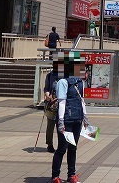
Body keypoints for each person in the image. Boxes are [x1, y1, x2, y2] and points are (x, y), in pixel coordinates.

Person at [51, 51, 89, 183]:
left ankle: (71, 175)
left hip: (77, 119)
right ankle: (55, 176)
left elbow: (81, 100)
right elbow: (62, 102)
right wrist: (61, 121)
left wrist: (85, 117)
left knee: (73, 148)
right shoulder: (62, 82)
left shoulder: (80, 82)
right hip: (66, 120)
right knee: (62, 148)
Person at [43, 59, 61, 153]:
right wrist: (47, 96)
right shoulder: (50, 76)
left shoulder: (65, 76)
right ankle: (49, 144)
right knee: (50, 126)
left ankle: (61, 145)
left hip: (61, 105)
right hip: (51, 105)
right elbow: (46, 88)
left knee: (61, 126)